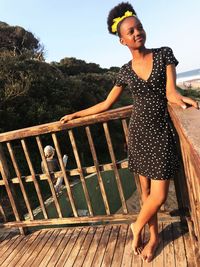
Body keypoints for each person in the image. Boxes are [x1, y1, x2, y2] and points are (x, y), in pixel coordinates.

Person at [60, 2, 198, 262]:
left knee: (157, 195)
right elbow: (105, 104)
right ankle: (153, 236)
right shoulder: (124, 71)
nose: (137, 33)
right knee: (146, 195)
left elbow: (170, 92)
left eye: (140, 27)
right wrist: (76, 114)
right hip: (138, 135)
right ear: (122, 40)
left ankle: (136, 227)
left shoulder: (164, 54)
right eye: (131, 31)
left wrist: (183, 99)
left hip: (161, 134)